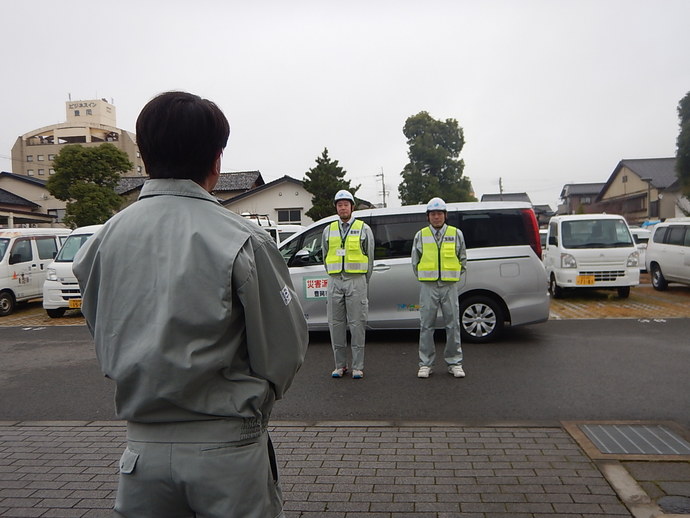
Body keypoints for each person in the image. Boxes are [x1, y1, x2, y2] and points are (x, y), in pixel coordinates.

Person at [73, 91, 308, 518]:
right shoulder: (243, 239)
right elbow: (285, 349)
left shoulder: (101, 242)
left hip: (141, 452)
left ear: (144, 157)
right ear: (217, 160)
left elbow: (101, 326)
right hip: (227, 449)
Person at [411, 197, 467, 379]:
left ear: (445, 215)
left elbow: (463, 259)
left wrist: (454, 275)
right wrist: (424, 277)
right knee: (426, 325)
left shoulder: (456, 233)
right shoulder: (421, 235)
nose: (436, 217)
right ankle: (425, 363)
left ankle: (454, 362)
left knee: (453, 325)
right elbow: (415, 261)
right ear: (428, 216)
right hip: (428, 286)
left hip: (449, 286)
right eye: (433, 214)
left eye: (439, 213)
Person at [321, 189, 374, 379]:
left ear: (352, 207)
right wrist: (334, 274)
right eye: (339, 204)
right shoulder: (329, 230)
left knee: (357, 323)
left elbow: (370, 257)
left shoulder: (363, 228)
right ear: (336, 207)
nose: (343, 208)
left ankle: (357, 366)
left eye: (346, 204)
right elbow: (324, 254)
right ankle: (340, 365)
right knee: (335, 324)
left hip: (356, 280)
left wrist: (363, 281)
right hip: (335, 280)